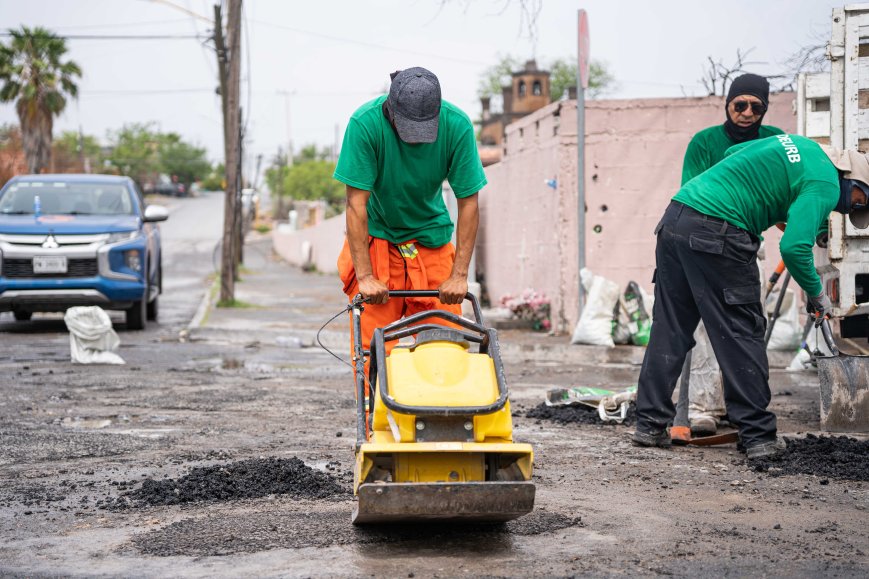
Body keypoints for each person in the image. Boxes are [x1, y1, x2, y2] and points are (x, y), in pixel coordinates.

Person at [632, 133, 869, 459]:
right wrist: (817, 295)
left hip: (676, 217)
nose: (853, 208)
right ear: (853, 177)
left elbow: (735, 152)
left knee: (670, 328)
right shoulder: (827, 182)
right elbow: (795, 248)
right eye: (860, 200)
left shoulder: (803, 147)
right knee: (740, 331)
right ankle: (758, 436)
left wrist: (769, 205)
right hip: (718, 231)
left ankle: (649, 424)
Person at [333, 66, 487, 380]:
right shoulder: (365, 124)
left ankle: (442, 424)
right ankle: (375, 427)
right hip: (377, 240)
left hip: (431, 242)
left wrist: (459, 275)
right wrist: (364, 276)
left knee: (446, 347)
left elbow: (469, 201)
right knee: (371, 352)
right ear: (391, 109)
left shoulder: (456, 126)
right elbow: (355, 205)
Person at [678, 73, 784, 438]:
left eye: (757, 106)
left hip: (749, 240)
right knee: (706, 324)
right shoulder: (705, 142)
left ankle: (744, 408)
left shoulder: (775, 141)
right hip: (707, 241)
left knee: (750, 323)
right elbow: (690, 194)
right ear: (728, 104)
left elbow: (785, 188)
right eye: (740, 104)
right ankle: (703, 406)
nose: (747, 112)